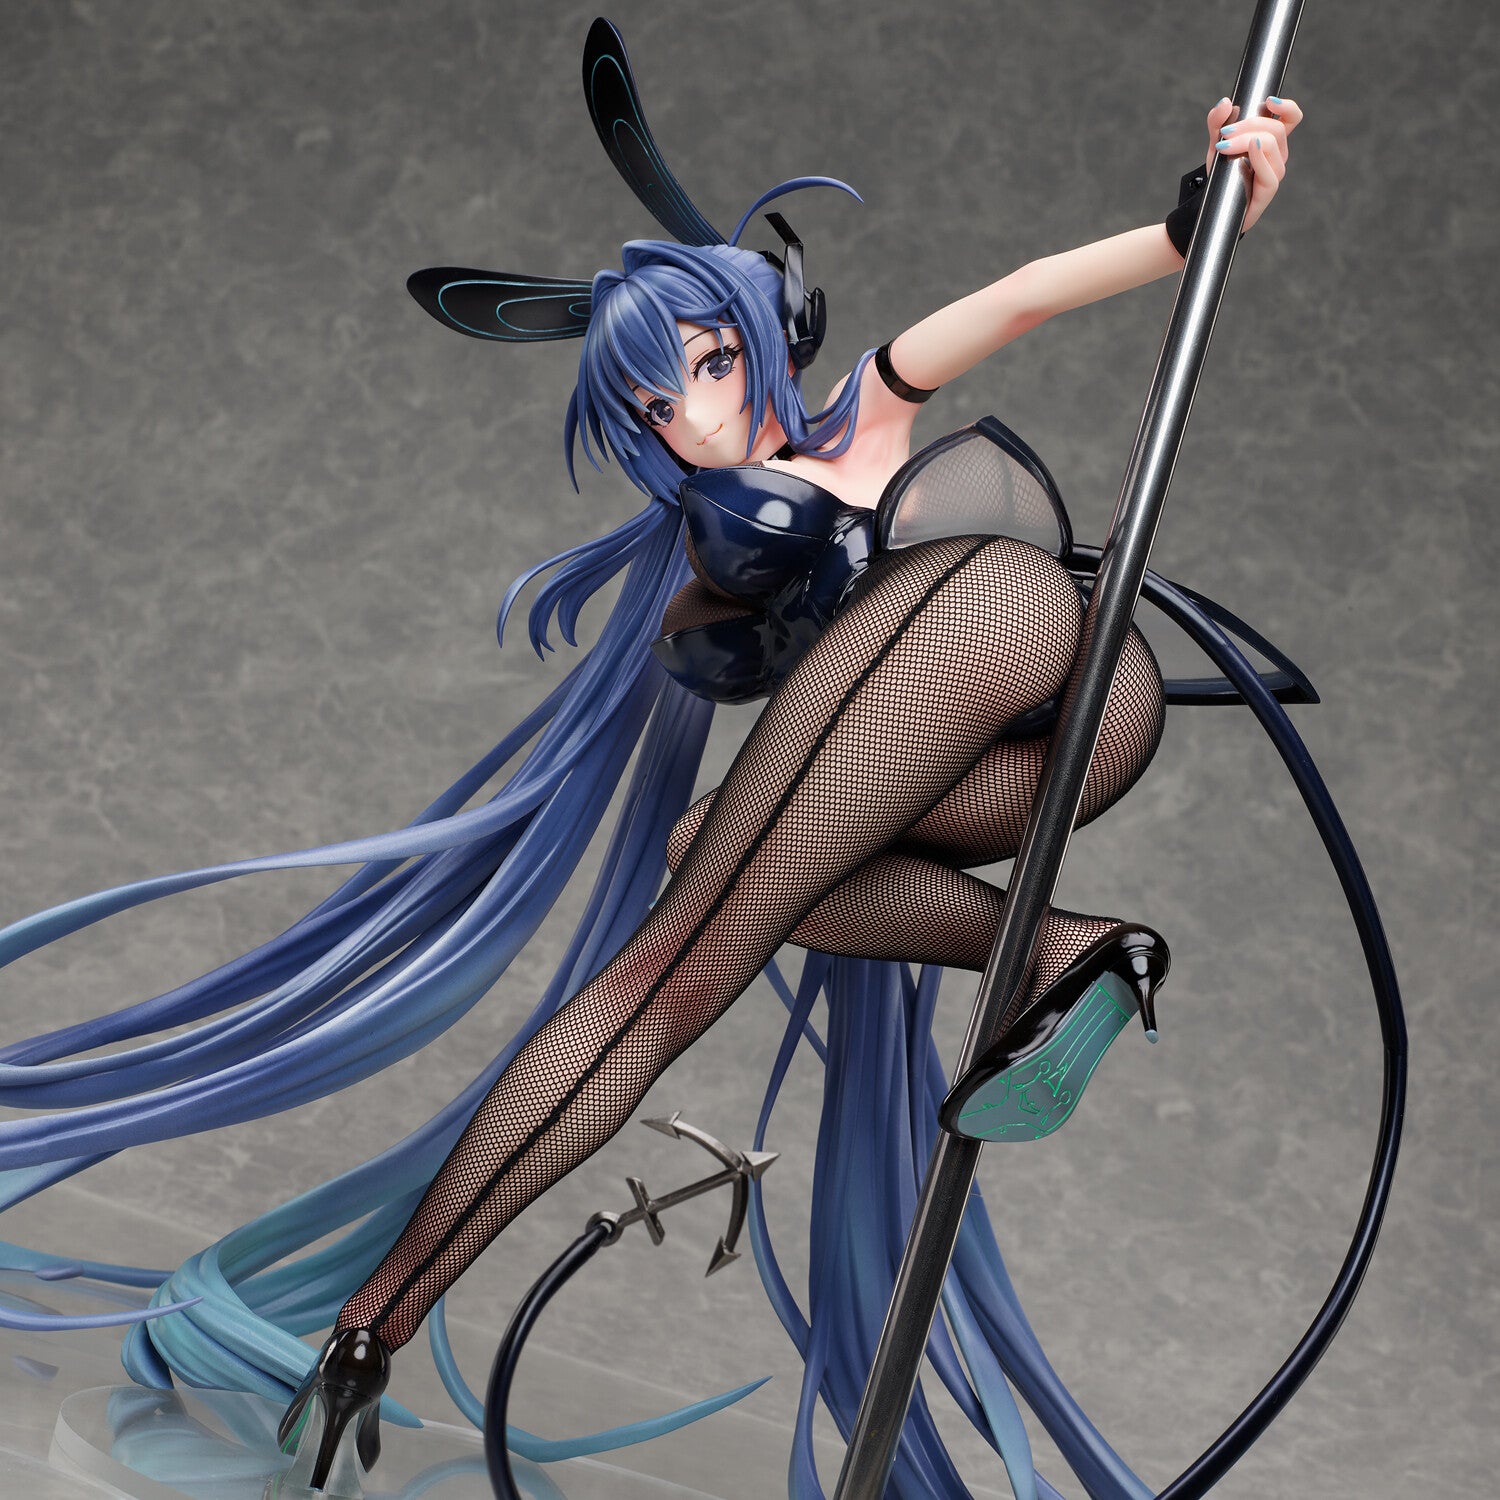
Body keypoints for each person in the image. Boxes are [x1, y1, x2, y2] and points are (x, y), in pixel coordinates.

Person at [1, 20, 1300, 1499]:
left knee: (671, 959)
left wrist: (1196, 222)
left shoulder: (868, 408)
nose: (692, 412)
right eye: (653, 404)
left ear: (763, 330)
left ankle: (379, 1312)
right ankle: (1070, 952)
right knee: (694, 888)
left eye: (706, 364)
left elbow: (1011, 299)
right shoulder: (716, 566)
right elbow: (755, 692)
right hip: (987, 775)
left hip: (1050, 650)